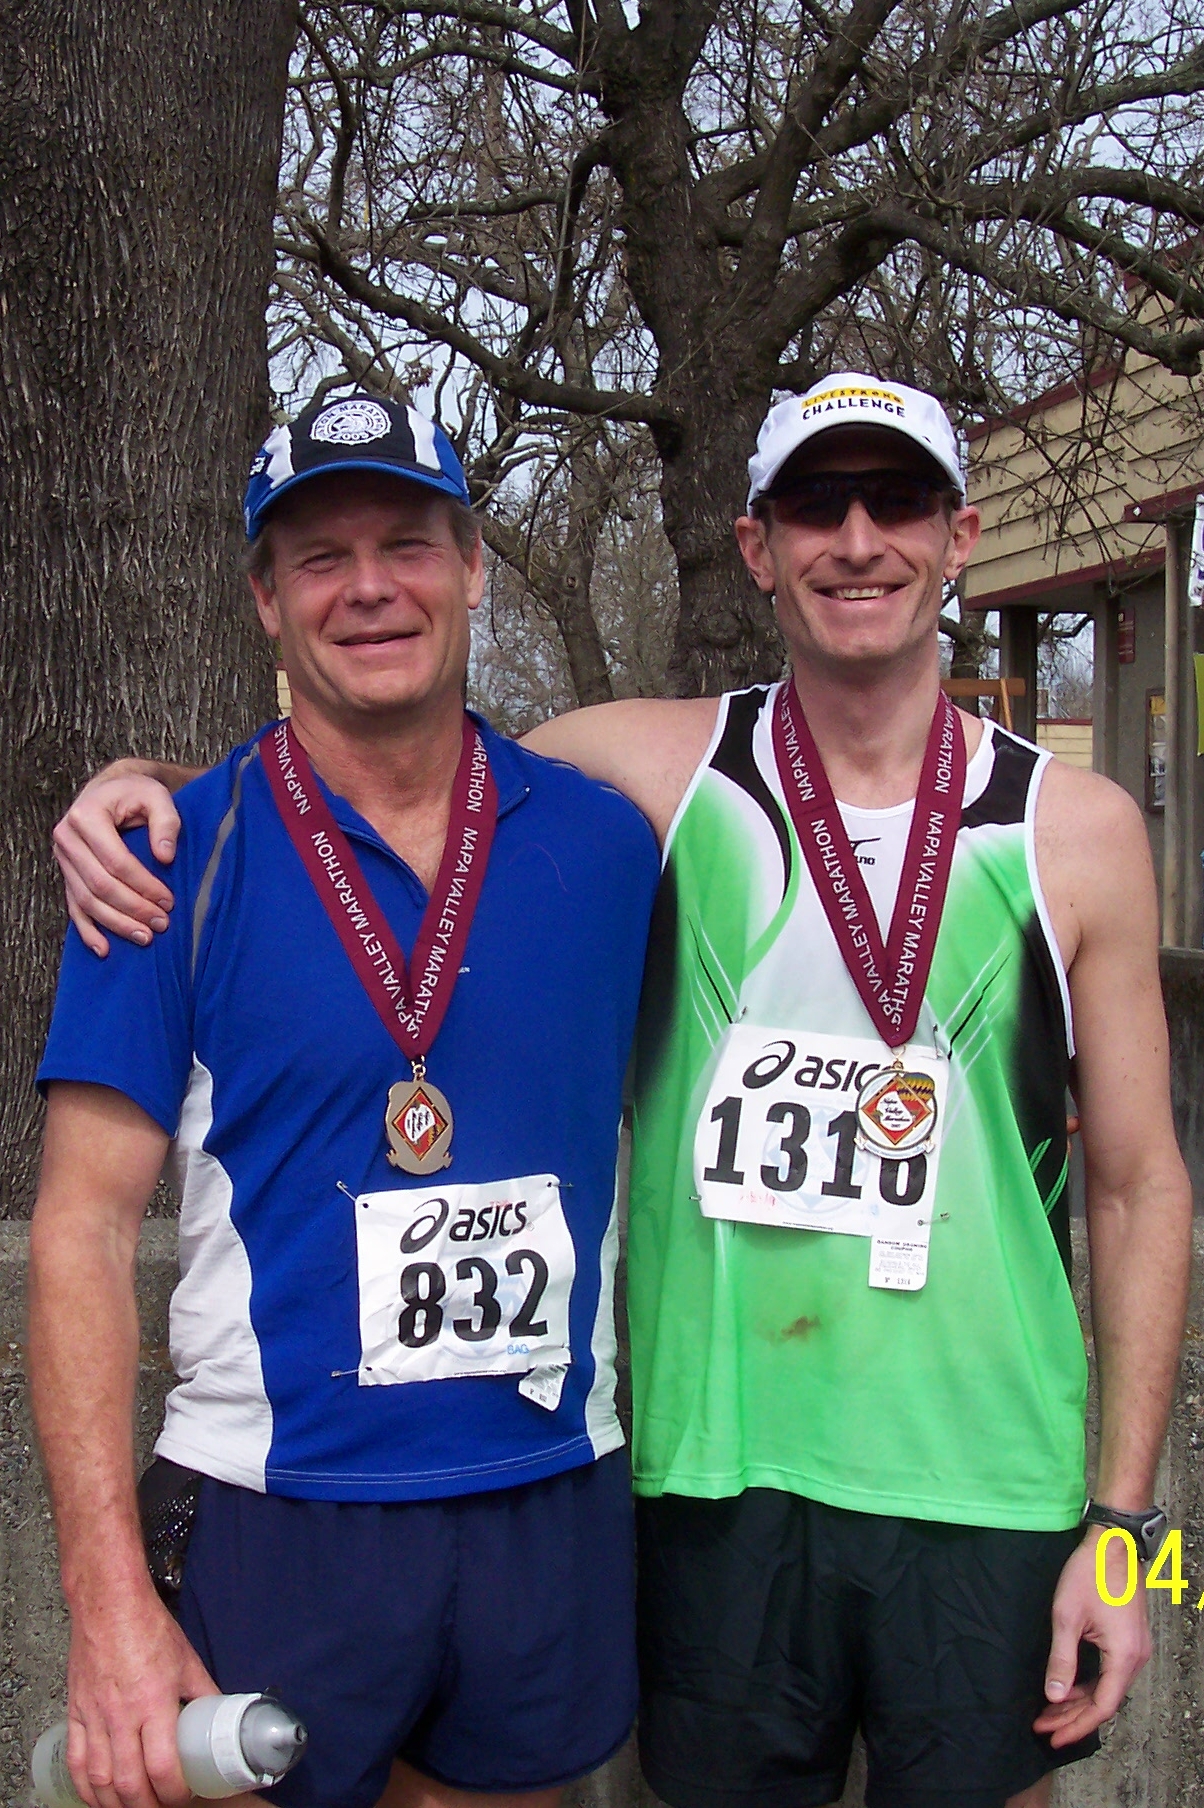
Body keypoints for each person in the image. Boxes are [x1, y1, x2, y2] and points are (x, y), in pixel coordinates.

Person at [54, 372, 1192, 1808]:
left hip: (991, 1498)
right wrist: (144, 793)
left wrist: (1138, 1548)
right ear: (756, 545)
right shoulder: (653, 776)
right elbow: (376, 770)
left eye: (898, 500)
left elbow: (1144, 1185)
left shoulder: (1079, 829)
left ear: (960, 534)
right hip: (713, 1495)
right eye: (814, 505)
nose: (857, 538)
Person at [31, 392, 660, 1808]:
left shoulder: (611, 841)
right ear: (267, 599)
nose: (369, 587)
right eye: (320, 557)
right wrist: (106, 1599)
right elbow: (80, 1233)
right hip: (278, 1508)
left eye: (408, 545)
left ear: (474, 567)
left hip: (547, 1491)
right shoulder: (162, 866)